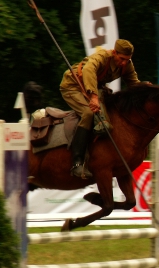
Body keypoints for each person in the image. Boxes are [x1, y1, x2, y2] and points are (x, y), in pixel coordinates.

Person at [59, 39, 144, 179]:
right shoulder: (102, 57)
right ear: (114, 53)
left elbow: (134, 84)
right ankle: (77, 163)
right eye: (122, 59)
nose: (124, 63)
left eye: (127, 60)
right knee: (88, 113)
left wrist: (147, 90)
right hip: (73, 86)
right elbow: (88, 69)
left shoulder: (127, 65)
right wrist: (93, 97)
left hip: (92, 89)